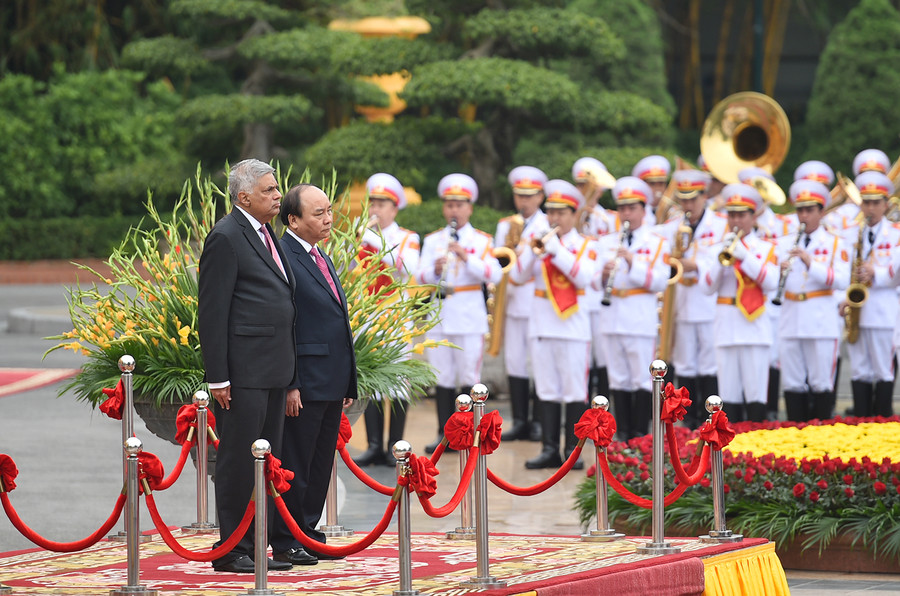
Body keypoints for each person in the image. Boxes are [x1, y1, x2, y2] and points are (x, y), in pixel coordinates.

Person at [197, 158, 296, 573]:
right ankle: (231, 549)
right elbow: (212, 311)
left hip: (273, 369)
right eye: (269, 191)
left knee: (266, 459)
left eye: (276, 189)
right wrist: (218, 375)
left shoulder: (265, 231)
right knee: (239, 461)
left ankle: (257, 545)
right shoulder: (226, 236)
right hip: (244, 373)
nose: (277, 196)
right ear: (244, 197)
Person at [270, 183, 358, 565]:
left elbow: (337, 319)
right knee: (297, 462)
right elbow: (284, 324)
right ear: (293, 219)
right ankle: (287, 536)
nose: (328, 220)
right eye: (318, 214)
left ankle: (307, 531)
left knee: (321, 463)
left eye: (328, 211)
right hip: (304, 381)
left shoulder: (319, 254)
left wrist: (348, 379)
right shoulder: (283, 255)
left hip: (331, 378)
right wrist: (291, 382)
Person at [510, 179, 595, 469]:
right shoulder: (539, 241)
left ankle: (572, 452)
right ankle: (548, 449)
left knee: (573, 391)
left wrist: (556, 250)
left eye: (561, 213)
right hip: (541, 326)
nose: (555, 218)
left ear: (574, 215)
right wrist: (531, 251)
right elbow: (517, 277)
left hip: (572, 328)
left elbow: (584, 278)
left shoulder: (585, 245)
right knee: (546, 389)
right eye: (551, 212)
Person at [416, 173, 502, 453]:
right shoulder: (433, 240)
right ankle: (444, 434)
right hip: (441, 311)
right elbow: (420, 275)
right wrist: (435, 270)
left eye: (459, 204)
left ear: (470, 207)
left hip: (468, 314)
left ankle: (470, 434)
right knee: (442, 376)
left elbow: (495, 273)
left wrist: (468, 257)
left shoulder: (481, 240)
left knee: (468, 376)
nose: (454, 209)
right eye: (449, 204)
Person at [593, 176, 671, 441]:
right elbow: (592, 282)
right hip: (612, 315)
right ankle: (622, 432)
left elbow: (660, 281)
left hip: (639, 318)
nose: (626, 213)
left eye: (632, 208)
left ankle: (640, 434)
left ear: (643, 209)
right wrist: (603, 275)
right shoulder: (606, 242)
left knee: (640, 379)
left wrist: (632, 263)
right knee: (618, 379)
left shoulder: (657, 242)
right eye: (622, 208)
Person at [353, 173, 420, 466]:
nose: (375, 209)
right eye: (373, 203)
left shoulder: (407, 237)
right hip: (369, 313)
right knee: (372, 380)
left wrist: (371, 238)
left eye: (382, 204)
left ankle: (396, 444)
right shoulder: (361, 236)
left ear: (394, 208)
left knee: (398, 382)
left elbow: (407, 268)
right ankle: (373, 444)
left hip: (395, 315)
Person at [699, 183, 780, 422]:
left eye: (741, 215)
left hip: (755, 327)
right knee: (728, 395)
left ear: (753, 216)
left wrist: (744, 258)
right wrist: (720, 259)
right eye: (732, 214)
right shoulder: (715, 248)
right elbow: (706, 287)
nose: (736, 220)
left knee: (756, 394)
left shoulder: (765, 248)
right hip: (726, 325)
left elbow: (771, 281)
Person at [655, 169, 728, 426]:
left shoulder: (721, 224)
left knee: (709, 363)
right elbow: (656, 249)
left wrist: (694, 264)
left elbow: (720, 257)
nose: (687, 205)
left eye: (692, 199)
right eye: (683, 199)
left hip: (707, 303)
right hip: (682, 304)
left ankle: (710, 419)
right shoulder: (671, 226)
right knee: (685, 363)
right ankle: (687, 421)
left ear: (704, 196)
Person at [775, 179, 849, 421]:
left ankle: (822, 434)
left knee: (821, 381)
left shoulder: (835, 242)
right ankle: (795, 433)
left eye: (809, 210)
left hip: (820, 320)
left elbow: (841, 280)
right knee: (793, 381)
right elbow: (767, 282)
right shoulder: (783, 244)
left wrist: (810, 263)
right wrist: (778, 271)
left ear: (822, 212)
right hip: (791, 318)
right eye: (800, 210)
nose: (804, 215)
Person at [495, 165, 548, 442]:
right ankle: (519, 420)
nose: (524, 201)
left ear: (540, 197)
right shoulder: (505, 225)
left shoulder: (547, 224)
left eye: (529, 196)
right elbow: (497, 261)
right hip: (512, 300)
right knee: (515, 361)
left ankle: (539, 421)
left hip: (537, 300)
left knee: (537, 362)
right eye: (519, 195)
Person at [842, 170, 900, 418]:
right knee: (860, 370)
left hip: (883, 311)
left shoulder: (896, 233)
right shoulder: (853, 234)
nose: (870, 208)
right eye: (866, 202)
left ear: (886, 204)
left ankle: (883, 422)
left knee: (883, 370)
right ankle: (862, 420)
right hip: (858, 311)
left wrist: (875, 273)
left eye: (876, 202)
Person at [572, 157, 617, 404]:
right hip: (578, 295)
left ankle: (603, 408)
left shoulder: (609, 219)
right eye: (581, 185)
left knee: (603, 356)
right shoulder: (570, 216)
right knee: (583, 356)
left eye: (589, 185)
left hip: (601, 295)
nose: (586, 190)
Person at [631, 155, 671, 225]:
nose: (657, 188)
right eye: (652, 184)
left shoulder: (674, 211)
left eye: (661, 184)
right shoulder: (634, 212)